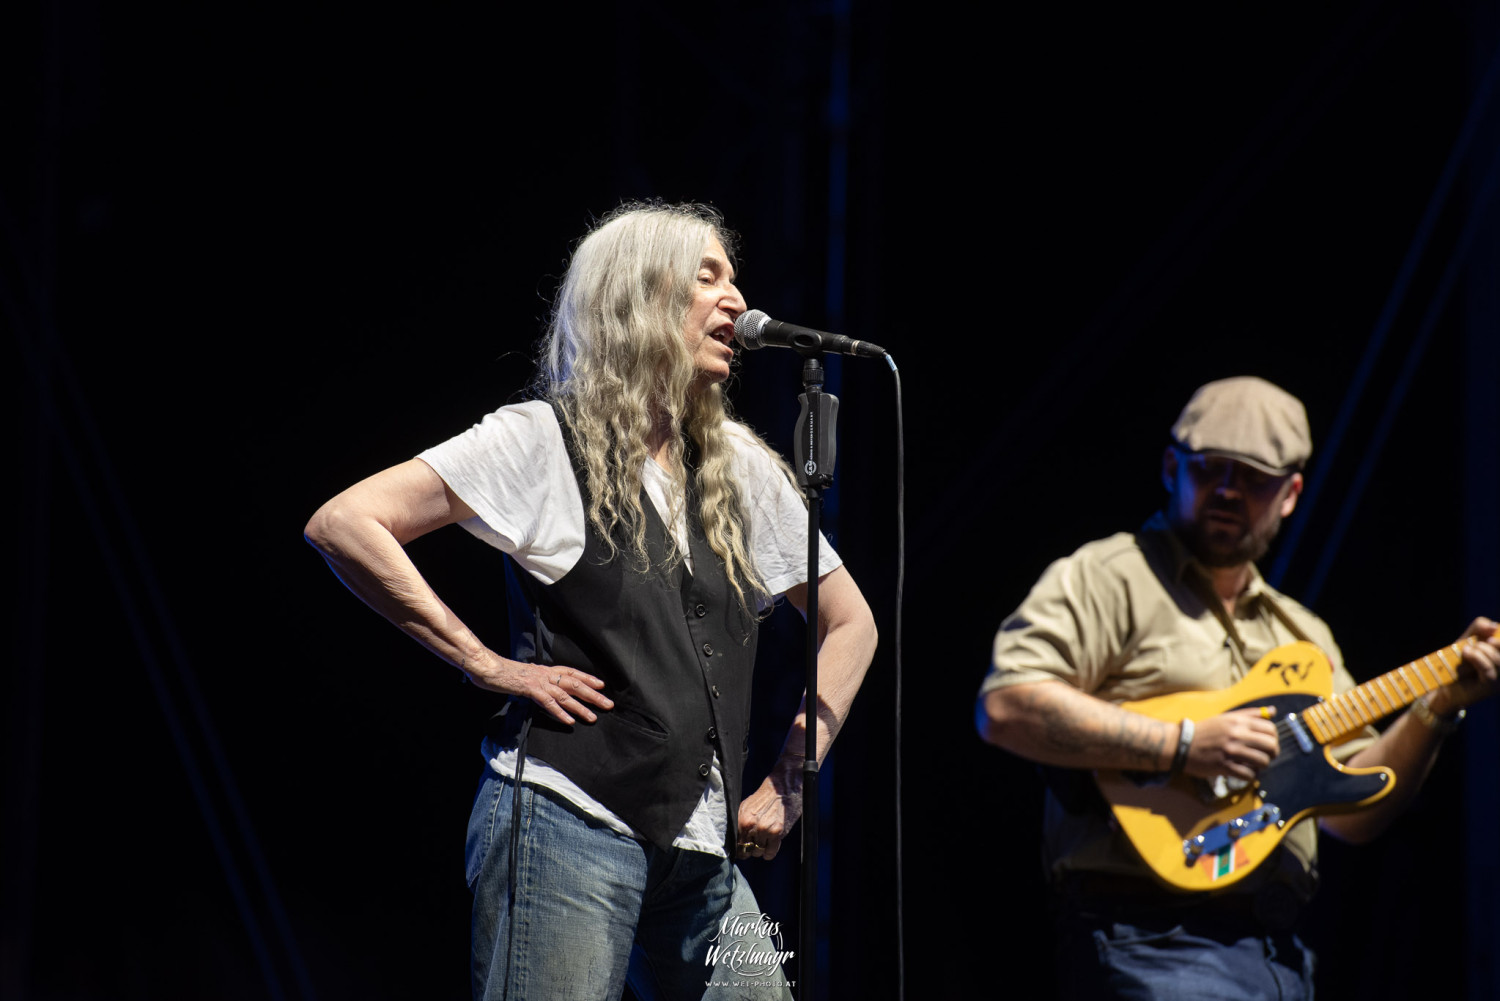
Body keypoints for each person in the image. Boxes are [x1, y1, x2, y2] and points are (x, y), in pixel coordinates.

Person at [304, 202, 877, 1000]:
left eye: (735, 278)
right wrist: (481, 661)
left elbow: (851, 619)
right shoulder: (543, 439)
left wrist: (791, 773)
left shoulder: (741, 468)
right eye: (707, 276)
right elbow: (346, 522)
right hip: (565, 817)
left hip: (705, 851)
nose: (736, 299)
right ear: (638, 297)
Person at [975, 376, 1500, 1000]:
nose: (1228, 490)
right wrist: (1182, 743)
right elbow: (1007, 706)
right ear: (1172, 466)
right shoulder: (1107, 577)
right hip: (1146, 940)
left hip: (1279, 956)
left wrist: (1436, 709)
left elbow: (1352, 819)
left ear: (1291, 494)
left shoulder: (1303, 635)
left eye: (1254, 478)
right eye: (1211, 469)